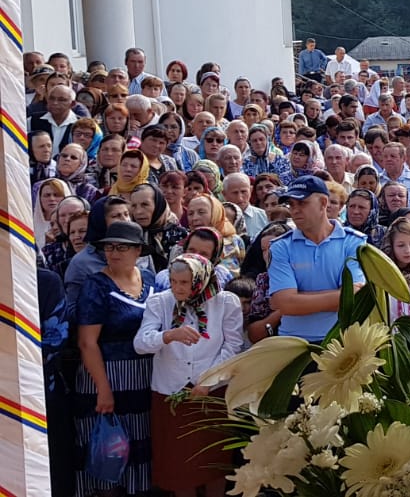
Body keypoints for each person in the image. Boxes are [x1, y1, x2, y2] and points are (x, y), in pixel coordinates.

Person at [134, 252, 242, 497]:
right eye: (173, 281)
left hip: (212, 393)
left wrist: (208, 380)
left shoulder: (226, 302)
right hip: (171, 392)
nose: (177, 288)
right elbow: (140, 343)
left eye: (184, 283)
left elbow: (233, 346)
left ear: (200, 280)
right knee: (178, 462)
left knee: (214, 458)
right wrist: (168, 335)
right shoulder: (160, 302)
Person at [73, 220, 157, 497]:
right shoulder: (95, 285)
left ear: (138, 251)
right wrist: (103, 389)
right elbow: (87, 342)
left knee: (139, 450)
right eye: (109, 246)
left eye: (122, 246)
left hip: (143, 377)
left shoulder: (151, 280)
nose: (114, 252)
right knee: (110, 451)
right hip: (106, 375)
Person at [267, 176, 366, 343]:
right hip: (293, 342)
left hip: (341, 341)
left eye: (302, 203)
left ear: (323, 203)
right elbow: (284, 304)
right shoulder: (280, 246)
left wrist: (298, 298)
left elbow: (355, 296)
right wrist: (340, 295)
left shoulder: (354, 242)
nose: (295, 210)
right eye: (291, 204)